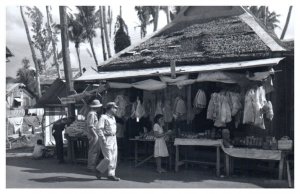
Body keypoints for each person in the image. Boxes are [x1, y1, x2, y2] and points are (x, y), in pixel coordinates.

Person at [95, 102, 120, 181]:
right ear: (110, 108)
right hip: (106, 138)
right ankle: (99, 169)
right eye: (115, 108)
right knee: (108, 158)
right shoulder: (103, 117)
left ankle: (111, 174)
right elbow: (99, 129)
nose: (116, 109)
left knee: (114, 157)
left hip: (113, 138)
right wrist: (103, 139)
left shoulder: (113, 118)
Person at [86, 99, 103, 171]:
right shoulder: (92, 114)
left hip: (94, 134)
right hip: (93, 134)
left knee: (95, 150)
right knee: (93, 151)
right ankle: (91, 166)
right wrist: (95, 135)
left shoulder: (93, 113)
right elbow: (90, 126)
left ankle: (93, 165)